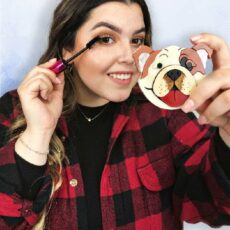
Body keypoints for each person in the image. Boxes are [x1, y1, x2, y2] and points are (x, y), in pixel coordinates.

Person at [0, 0, 230, 229]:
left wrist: (228, 133)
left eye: (137, 40)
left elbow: (216, 207)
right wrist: (37, 135)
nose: (129, 57)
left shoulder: (163, 110)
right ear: (67, 48)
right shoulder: (15, 110)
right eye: (106, 38)